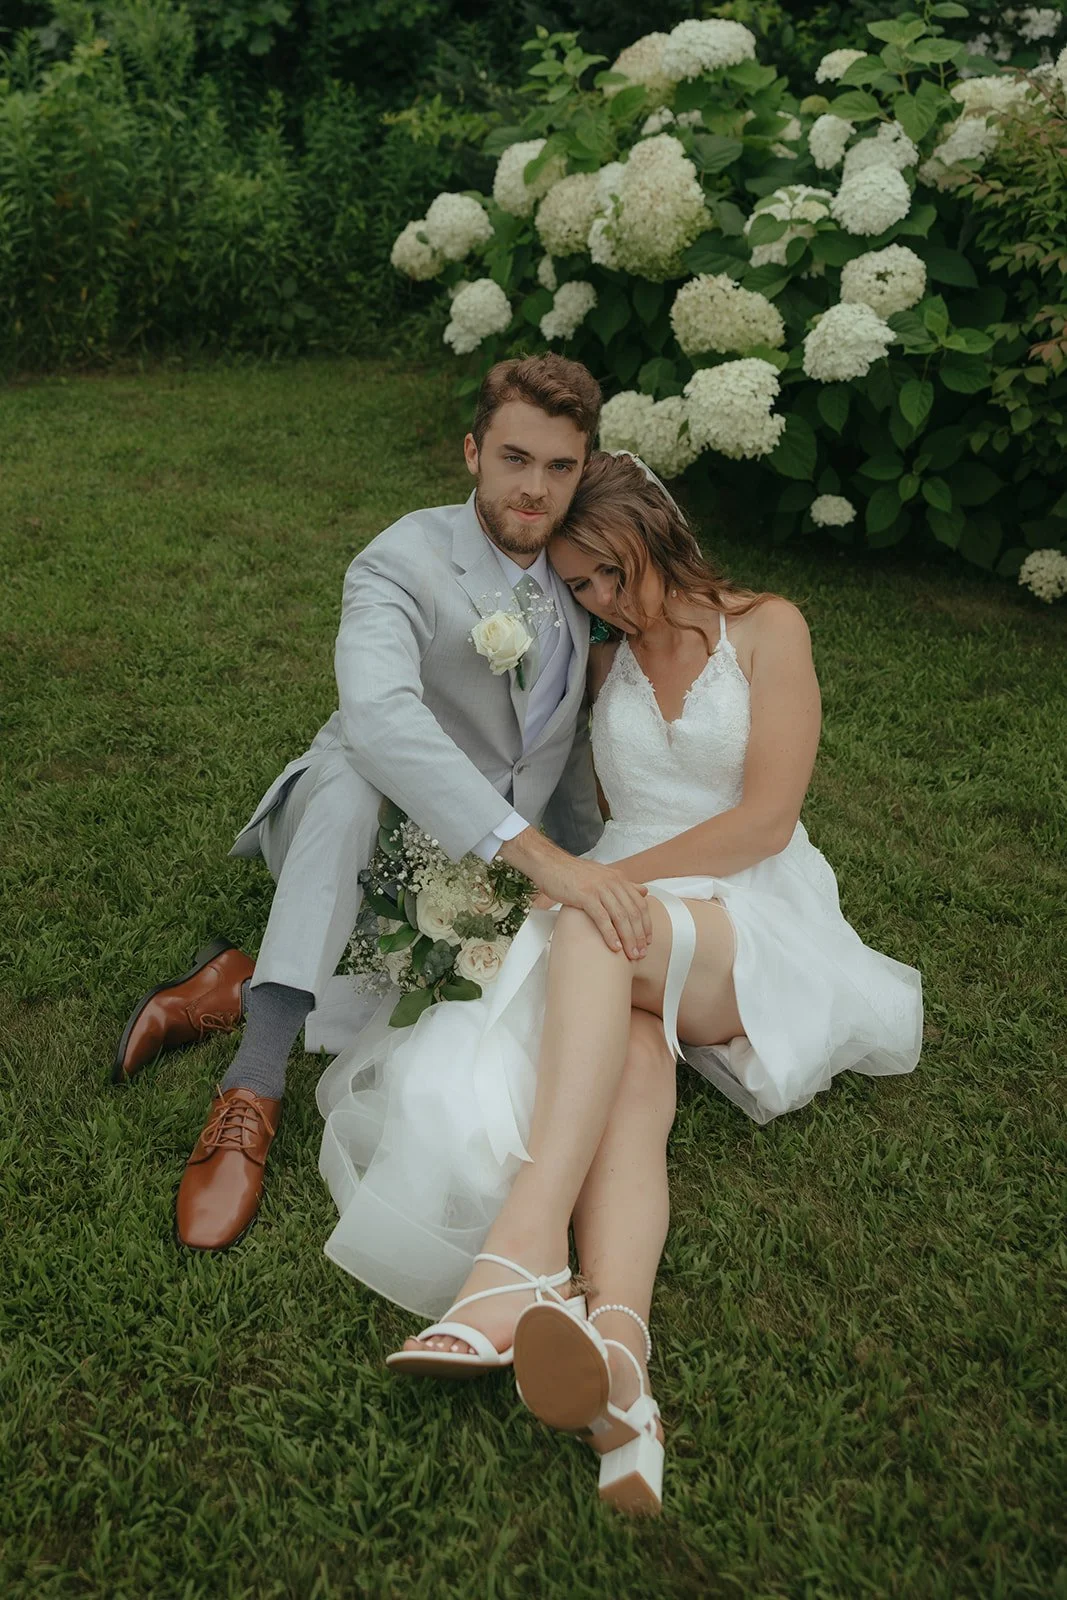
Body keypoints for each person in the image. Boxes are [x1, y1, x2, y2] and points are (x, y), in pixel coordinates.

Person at [316, 450, 923, 1515]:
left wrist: (592, 884)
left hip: (750, 911)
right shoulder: (603, 661)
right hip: (638, 920)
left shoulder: (768, 627)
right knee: (626, 1093)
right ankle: (623, 1364)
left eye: (607, 573)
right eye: (578, 585)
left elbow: (763, 821)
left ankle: (520, 1251)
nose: (597, 600)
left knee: (600, 931)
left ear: (653, 530)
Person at [112, 355, 663, 1251]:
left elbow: (558, 746)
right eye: (515, 460)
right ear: (472, 453)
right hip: (359, 829)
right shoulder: (400, 559)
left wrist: (588, 855)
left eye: (560, 467)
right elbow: (378, 717)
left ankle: (234, 983)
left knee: (463, 1018)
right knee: (352, 771)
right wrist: (535, 856)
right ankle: (251, 1088)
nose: (535, 490)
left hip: (470, 866)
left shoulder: (580, 572)